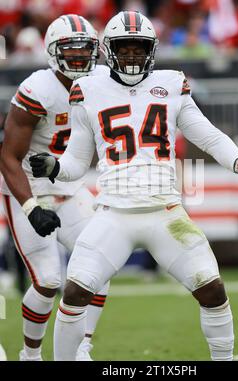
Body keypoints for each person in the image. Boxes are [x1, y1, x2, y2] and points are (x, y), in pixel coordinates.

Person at [30, 11, 238, 361]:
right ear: (109, 49)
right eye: (124, 47)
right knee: (74, 293)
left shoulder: (172, 83)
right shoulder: (87, 89)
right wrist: (55, 167)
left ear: (152, 49)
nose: (132, 55)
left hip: (166, 212)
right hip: (113, 214)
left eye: (138, 48)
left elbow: (207, 135)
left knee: (213, 292)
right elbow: (74, 162)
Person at [0, 14, 110, 361]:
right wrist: (31, 208)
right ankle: (30, 355)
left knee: (101, 262)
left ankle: (82, 347)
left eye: (85, 50)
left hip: (71, 185)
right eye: (71, 50)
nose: (79, 57)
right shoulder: (38, 89)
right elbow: (8, 157)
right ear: (52, 52)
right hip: (29, 190)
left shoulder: (102, 81)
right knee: (48, 280)